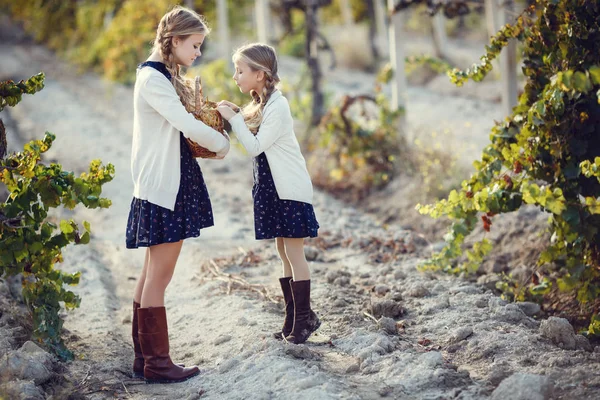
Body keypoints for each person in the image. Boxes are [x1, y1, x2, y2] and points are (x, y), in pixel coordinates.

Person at [126, 5, 229, 383]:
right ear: (175, 40)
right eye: (195, 45)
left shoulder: (159, 73)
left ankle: (144, 359)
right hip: (162, 185)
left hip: (165, 180)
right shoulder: (153, 79)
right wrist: (221, 143)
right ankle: (157, 363)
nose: (198, 53)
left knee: (152, 271)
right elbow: (184, 123)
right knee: (159, 275)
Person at [216, 43, 320, 345]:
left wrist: (234, 120)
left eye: (240, 70)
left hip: (290, 190)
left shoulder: (279, 105)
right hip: (274, 190)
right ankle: (293, 318)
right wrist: (237, 114)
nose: (235, 76)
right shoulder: (264, 103)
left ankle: (304, 319)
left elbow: (255, 146)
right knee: (282, 251)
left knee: (294, 252)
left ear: (260, 75)